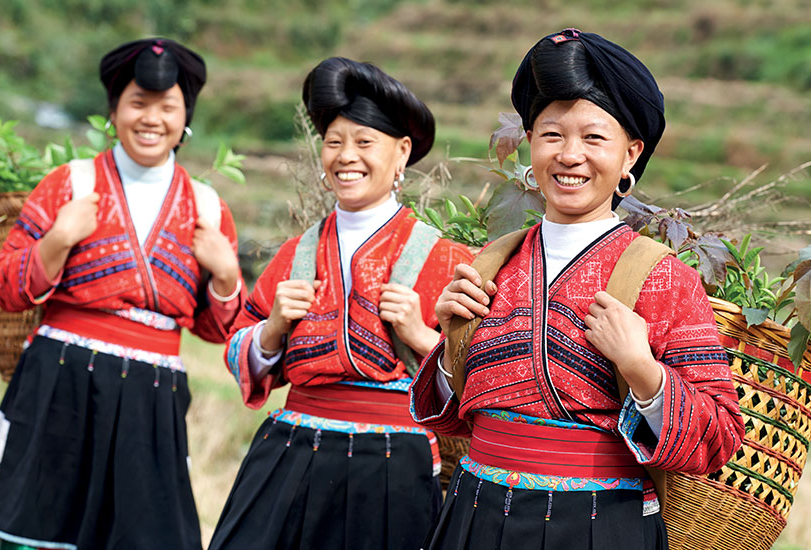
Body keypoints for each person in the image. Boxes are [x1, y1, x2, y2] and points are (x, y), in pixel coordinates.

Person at [410, 29, 744, 549]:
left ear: (631, 154)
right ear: (529, 145)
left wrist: (644, 372)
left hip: (601, 527)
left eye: (594, 138)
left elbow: (719, 439)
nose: (570, 155)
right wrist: (453, 344)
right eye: (551, 135)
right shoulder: (491, 265)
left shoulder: (664, 278)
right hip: (476, 517)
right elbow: (452, 419)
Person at [0, 38, 243, 550]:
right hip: (58, 389)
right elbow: (3, 287)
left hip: (150, 399)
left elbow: (220, 332)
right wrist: (57, 240)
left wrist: (227, 278)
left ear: (184, 118)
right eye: (138, 104)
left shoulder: (207, 207)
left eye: (167, 107)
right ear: (113, 112)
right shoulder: (69, 185)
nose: (152, 119)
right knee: (36, 534)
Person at [209, 57, 473, 550]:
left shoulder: (447, 259)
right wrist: (270, 330)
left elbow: (482, 380)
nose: (346, 156)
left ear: (402, 153)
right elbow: (238, 348)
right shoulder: (295, 254)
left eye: (364, 141)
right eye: (334, 142)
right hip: (291, 452)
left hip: (395, 465)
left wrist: (420, 336)